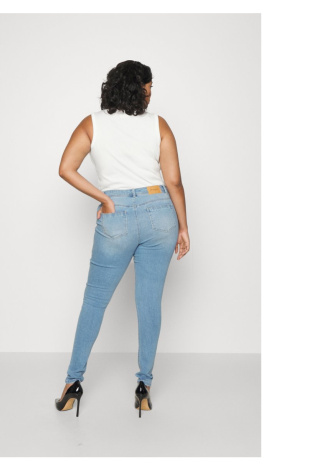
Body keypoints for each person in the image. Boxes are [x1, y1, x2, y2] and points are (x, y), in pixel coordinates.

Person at [55, 60, 190, 417]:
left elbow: (66, 168)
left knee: (94, 301)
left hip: (116, 217)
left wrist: (105, 199)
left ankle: (72, 383)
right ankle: (144, 386)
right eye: (149, 86)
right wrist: (183, 226)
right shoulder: (159, 125)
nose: (150, 93)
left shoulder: (92, 123)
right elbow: (174, 182)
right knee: (149, 304)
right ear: (139, 87)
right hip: (160, 214)